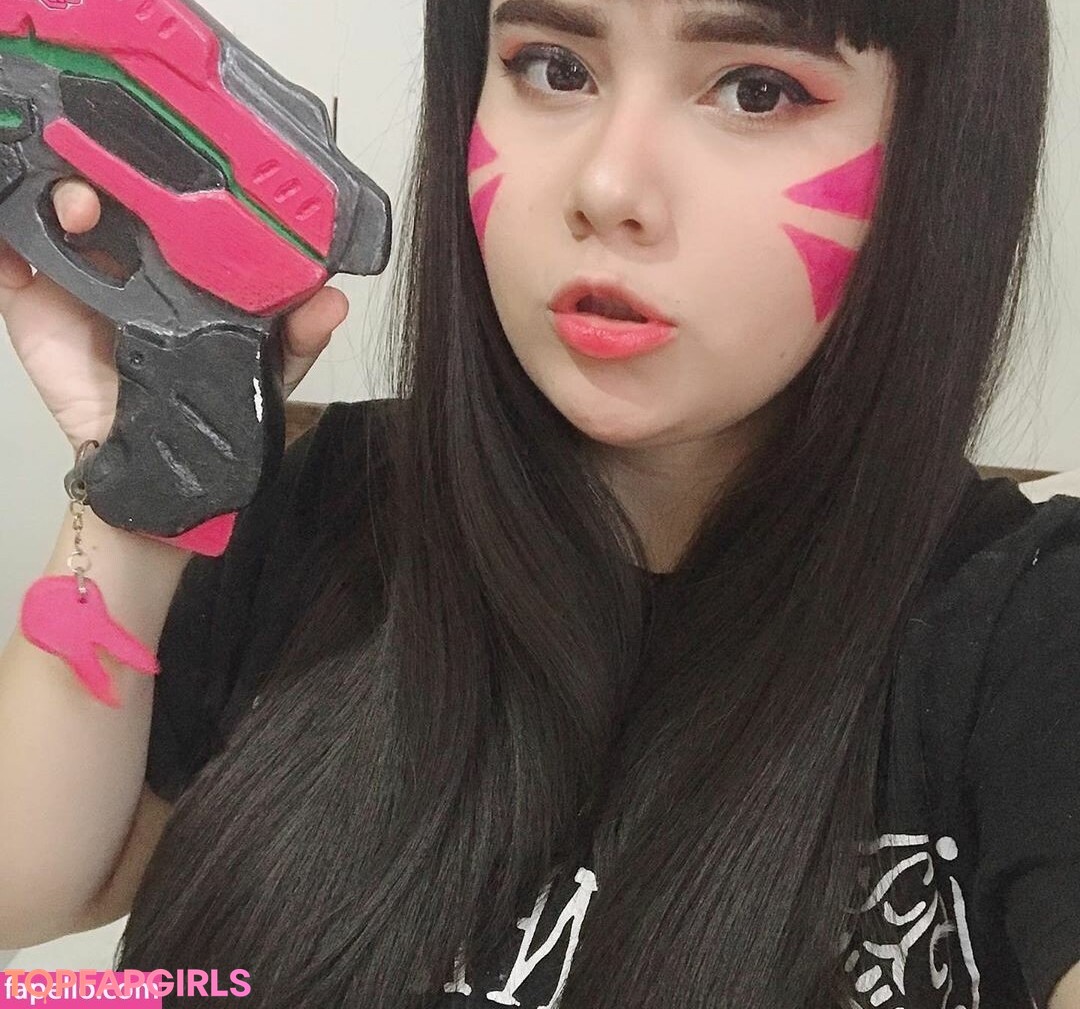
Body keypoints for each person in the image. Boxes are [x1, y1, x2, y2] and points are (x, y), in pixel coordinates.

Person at [0, 0, 1076, 1006]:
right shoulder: (328, 504)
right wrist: (147, 471)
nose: (607, 185)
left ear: (940, 149)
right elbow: (30, 887)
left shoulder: (1029, 634)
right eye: (553, 69)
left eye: (757, 91)